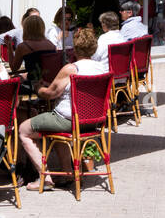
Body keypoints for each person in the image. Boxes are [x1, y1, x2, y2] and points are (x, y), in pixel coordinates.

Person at [18, 27, 103, 187]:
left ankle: (45, 177)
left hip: (68, 120)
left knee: (23, 130)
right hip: (92, 121)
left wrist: (38, 87)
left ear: (75, 49)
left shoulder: (71, 69)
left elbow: (50, 94)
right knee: (55, 129)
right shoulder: (101, 68)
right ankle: (67, 173)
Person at [9, 14, 56, 78]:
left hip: (33, 84)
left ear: (26, 29)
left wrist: (9, 46)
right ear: (42, 28)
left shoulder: (23, 46)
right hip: (49, 81)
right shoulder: (51, 44)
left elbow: (14, 68)